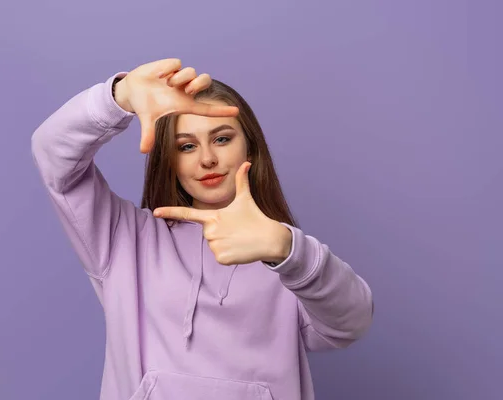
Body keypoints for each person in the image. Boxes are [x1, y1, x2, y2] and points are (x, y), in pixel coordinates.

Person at [31, 58, 373, 400]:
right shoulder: (125, 239)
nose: (207, 158)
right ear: (170, 159)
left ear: (250, 147)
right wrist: (118, 98)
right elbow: (52, 155)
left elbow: (351, 322)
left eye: (222, 139)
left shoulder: (284, 256)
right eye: (187, 146)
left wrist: (288, 250)